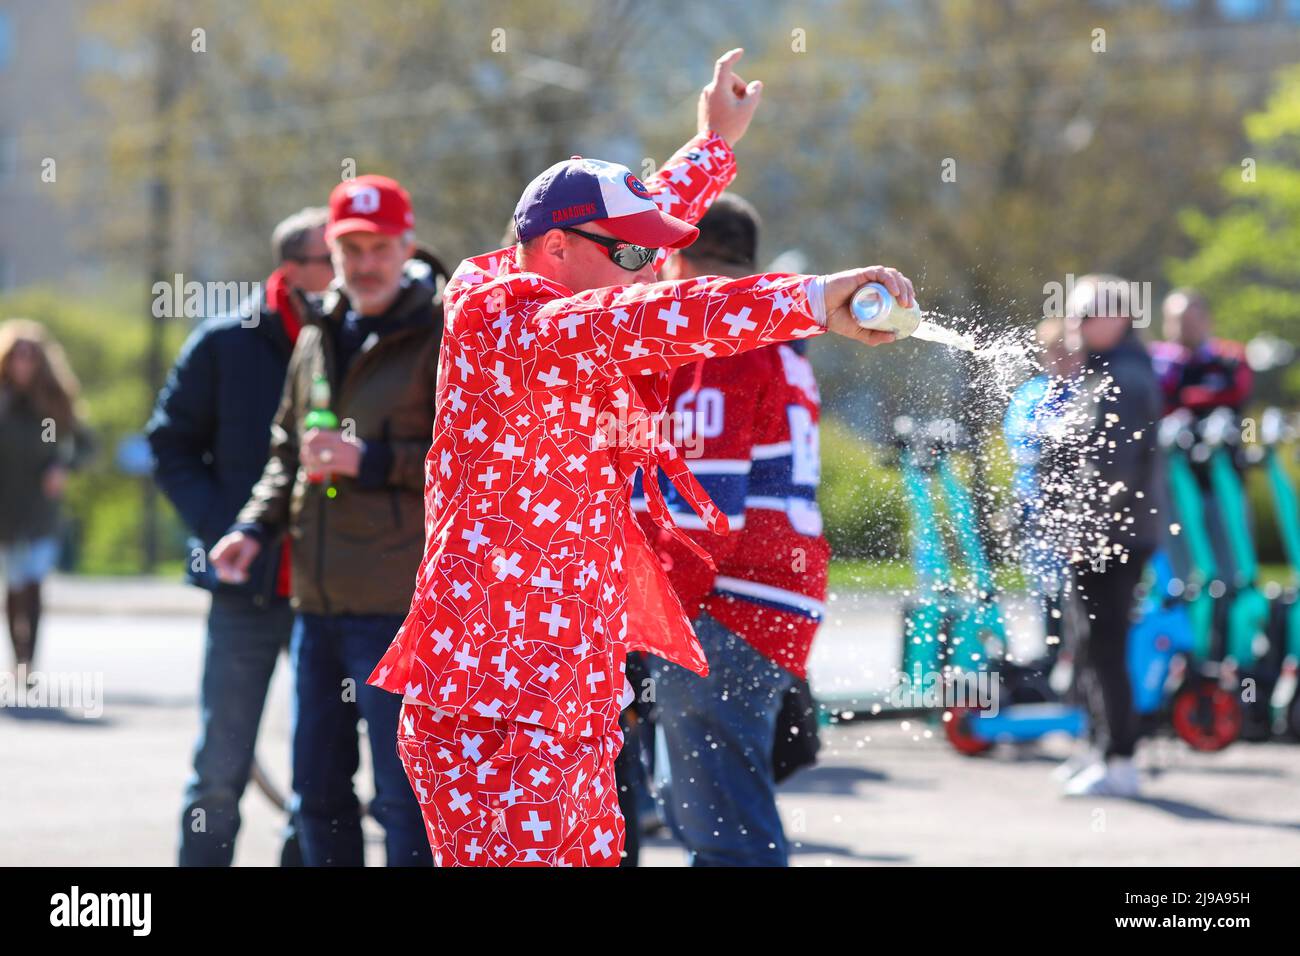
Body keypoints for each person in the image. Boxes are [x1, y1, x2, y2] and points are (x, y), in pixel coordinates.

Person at [367, 48, 911, 867]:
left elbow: (644, 230)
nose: (644, 270)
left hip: (573, 700)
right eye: (628, 257)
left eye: (648, 256)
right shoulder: (513, 324)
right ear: (553, 251)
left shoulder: (567, 279)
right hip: (497, 712)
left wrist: (713, 142)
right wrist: (809, 300)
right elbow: (654, 319)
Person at [210, 176, 446, 866]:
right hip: (316, 607)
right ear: (332, 251)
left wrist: (368, 461)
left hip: (402, 614)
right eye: (350, 249)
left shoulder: (444, 332)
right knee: (316, 792)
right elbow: (288, 453)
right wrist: (251, 530)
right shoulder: (318, 333)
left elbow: (467, 464)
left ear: (406, 245)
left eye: (378, 247)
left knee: (405, 799)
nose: (365, 263)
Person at [631, 192, 831, 866]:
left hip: (726, 605)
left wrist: (651, 618)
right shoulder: (771, 337)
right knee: (713, 811)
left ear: (674, 258)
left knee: (724, 831)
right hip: (767, 596)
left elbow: (701, 513)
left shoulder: (717, 341)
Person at [146, 206, 332, 866]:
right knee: (220, 769)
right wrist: (225, 528)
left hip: (334, 595)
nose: (343, 272)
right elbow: (168, 443)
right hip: (245, 591)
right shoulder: (225, 342)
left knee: (322, 775)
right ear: (292, 270)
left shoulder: (354, 339)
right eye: (328, 258)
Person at [1059, 275, 1162, 798]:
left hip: (1113, 540)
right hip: (1109, 535)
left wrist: (1085, 534)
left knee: (1105, 646)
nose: (1073, 325)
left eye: (1085, 315)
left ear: (1119, 319)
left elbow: (1113, 474)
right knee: (1089, 644)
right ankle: (1101, 748)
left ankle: (1120, 759)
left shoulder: (1122, 376)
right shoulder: (1106, 372)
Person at [0, 320, 93, 685]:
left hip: (41, 506)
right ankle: (16, 657)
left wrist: (63, 466)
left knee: (34, 581)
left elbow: (85, 445)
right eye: (17, 355)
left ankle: (29, 663)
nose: (23, 362)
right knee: (13, 582)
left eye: (30, 355)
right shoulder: (3, 401)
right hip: (5, 503)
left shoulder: (54, 402)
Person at [1003, 317, 1084, 650]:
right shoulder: (1032, 394)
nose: (1064, 360)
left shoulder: (1088, 389)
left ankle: (1080, 652)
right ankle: (1054, 653)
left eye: (1070, 352)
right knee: (1048, 586)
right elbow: (1019, 440)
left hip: (1079, 507)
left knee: (1081, 588)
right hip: (1038, 505)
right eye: (1057, 353)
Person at [1150, 289, 1253, 417]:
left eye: (1192, 320)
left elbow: (1239, 395)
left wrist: (1186, 397)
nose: (1185, 327)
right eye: (1178, 321)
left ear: (1207, 321)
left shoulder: (1230, 357)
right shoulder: (1154, 360)